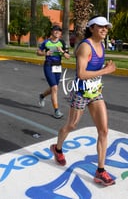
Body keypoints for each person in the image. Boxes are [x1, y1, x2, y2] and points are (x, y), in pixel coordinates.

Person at [50, 16, 117, 186]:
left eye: (106, 27)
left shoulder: (101, 45)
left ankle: (100, 171)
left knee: (103, 130)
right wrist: (106, 71)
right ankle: (57, 148)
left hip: (95, 93)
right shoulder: (85, 47)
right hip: (80, 93)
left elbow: (93, 70)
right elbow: (81, 74)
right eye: (101, 27)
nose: (104, 30)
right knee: (71, 125)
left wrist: (103, 69)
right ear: (91, 28)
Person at [37, 25, 70, 119]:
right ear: (52, 32)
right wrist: (44, 53)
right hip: (48, 65)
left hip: (58, 66)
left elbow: (68, 57)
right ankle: (56, 111)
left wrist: (62, 51)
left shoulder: (62, 43)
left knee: (53, 88)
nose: (57, 32)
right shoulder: (46, 42)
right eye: (55, 30)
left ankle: (42, 96)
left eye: (59, 31)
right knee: (55, 88)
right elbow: (38, 52)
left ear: (60, 33)